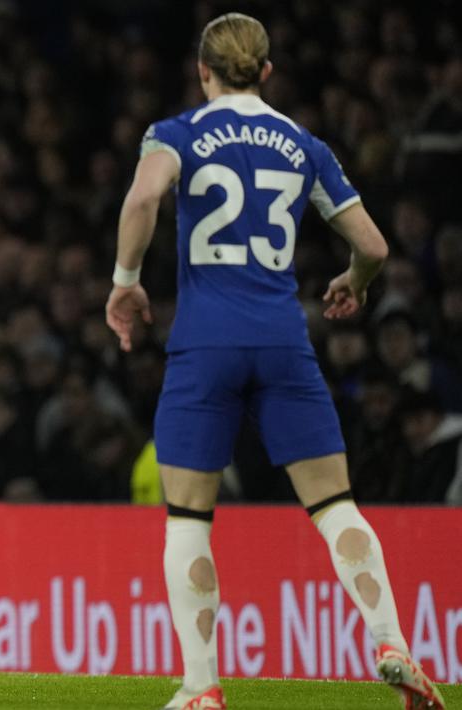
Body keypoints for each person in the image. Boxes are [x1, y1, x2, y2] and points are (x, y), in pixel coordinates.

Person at [104, 14, 444, 710]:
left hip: (204, 344)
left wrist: (123, 279)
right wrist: (354, 282)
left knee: (188, 518)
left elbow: (142, 197)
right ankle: (391, 643)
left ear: (202, 71)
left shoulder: (178, 134)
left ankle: (201, 687)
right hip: (283, 340)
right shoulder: (302, 143)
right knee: (333, 504)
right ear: (265, 72)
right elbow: (374, 246)